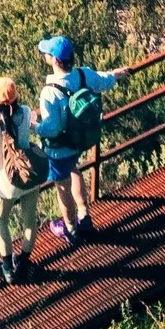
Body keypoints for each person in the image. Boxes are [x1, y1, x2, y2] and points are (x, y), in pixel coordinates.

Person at [33, 34, 119, 242]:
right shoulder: (83, 75)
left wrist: (34, 126)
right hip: (79, 141)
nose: (44, 55)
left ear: (54, 60)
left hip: (59, 148)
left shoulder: (50, 92)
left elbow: (51, 128)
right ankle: (84, 216)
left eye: (47, 53)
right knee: (74, 170)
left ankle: (70, 229)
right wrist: (116, 75)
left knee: (62, 185)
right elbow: (103, 81)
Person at [0, 75, 42, 284]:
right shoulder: (26, 112)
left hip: (5, 185)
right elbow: (33, 125)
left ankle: (7, 269)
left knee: (1, 222)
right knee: (29, 221)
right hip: (28, 177)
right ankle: (23, 261)